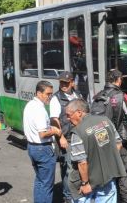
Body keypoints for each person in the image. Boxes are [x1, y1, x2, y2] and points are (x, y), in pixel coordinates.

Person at [66, 99, 126, 202]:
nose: (67, 118)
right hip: (108, 176)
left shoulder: (77, 132)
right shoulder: (106, 121)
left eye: (68, 115)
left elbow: (82, 162)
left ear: (79, 113)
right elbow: (118, 144)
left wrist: (85, 184)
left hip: (86, 181)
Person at [96, 69, 127, 203]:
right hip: (120, 140)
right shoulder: (121, 96)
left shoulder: (97, 95)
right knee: (125, 172)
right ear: (119, 80)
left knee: (109, 172)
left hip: (102, 139)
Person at [23, 81, 62, 203]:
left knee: (40, 181)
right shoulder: (39, 110)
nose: (50, 97)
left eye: (51, 94)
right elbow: (43, 133)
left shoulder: (30, 105)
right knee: (46, 185)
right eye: (47, 94)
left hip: (32, 147)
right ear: (39, 93)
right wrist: (55, 130)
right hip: (42, 149)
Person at [50, 71, 81, 203]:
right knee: (68, 169)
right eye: (61, 83)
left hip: (78, 137)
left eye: (66, 83)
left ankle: (75, 193)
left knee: (77, 167)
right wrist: (61, 137)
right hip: (66, 139)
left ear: (72, 82)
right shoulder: (56, 98)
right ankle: (68, 196)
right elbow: (54, 120)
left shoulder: (78, 95)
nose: (63, 85)